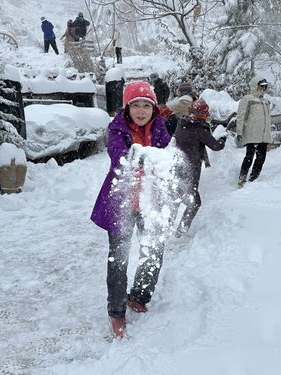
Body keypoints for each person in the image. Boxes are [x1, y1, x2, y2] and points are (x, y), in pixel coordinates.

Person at [90, 81, 171, 339]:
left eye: (146, 105)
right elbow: (119, 156)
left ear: (153, 108)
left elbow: (169, 155)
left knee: (153, 252)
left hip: (151, 203)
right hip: (122, 205)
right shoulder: (117, 130)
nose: (140, 110)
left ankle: (138, 295)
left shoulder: (159, 129)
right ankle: (116, 312)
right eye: (135, 105)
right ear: (127, 108)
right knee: (119, 260)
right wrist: (145, 156)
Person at [171, 99, 226, 237]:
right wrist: (223, 139)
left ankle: (166, 225)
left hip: (177, 166)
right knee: (195, 202)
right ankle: (180, 231)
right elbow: (216, 146)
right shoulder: (199, 129)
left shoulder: (181, 123)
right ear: (203, 114)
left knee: (176, 197)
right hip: (190, 169)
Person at [235, 77, 272, 188]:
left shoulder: (265, 101)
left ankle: (254, 178)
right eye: (261, 85)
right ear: (255, 85)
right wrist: (239, 132)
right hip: (251, 133)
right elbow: (241, 116)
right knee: (249, 156)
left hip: (263, 134)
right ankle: (242, 178)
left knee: (261, 158)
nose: (263, 88)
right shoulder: (247, 99)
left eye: (265, 86)